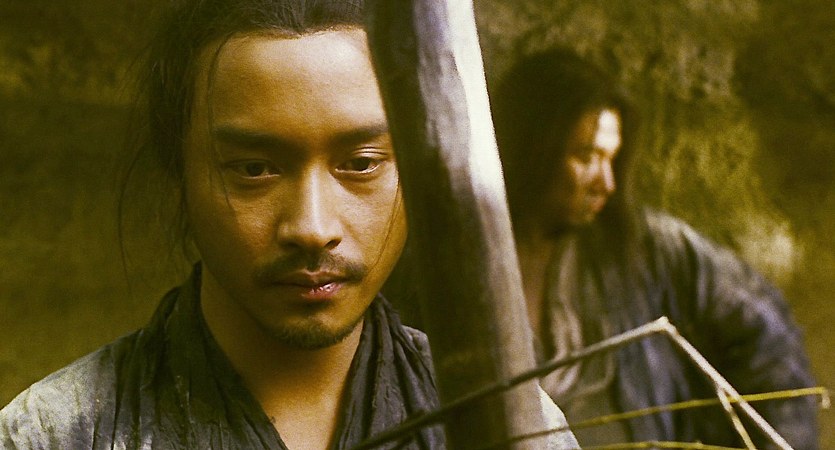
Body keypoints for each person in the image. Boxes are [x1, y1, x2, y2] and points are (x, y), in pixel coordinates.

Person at [0, 1, 581, 449]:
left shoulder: (519, 427)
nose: (311, 226)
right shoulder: (52, 434)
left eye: (361, 164)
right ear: (180, 170)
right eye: (254, 169)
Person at [491, 48, 820, 449]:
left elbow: (768, 334)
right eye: (586, 157)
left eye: (611, 160)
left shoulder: (645, 248)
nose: (605, 183)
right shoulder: (466, 264)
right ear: (532, 149)